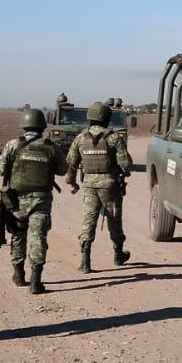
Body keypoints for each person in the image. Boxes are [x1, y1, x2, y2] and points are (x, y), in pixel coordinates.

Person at [0, 108, 67, 294]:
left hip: (16, 200)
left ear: (24, 124)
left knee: (18, 236)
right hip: (41, 200)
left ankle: (19, 275)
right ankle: (36, 281)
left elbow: (0, 169)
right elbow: (63, 170)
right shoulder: (52, 146)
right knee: (38, 238)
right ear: (43, 126)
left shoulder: (13, 145)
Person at [66, 101, 134, 272]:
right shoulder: (112, 138)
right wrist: (125, 171)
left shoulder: (80, 138)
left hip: (89, 185)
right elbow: (125, 163)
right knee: (114, 221)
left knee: (88, 221)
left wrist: (73, 183)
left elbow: (71, 165)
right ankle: (118, 255)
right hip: (109, 186)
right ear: (106, 118)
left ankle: (85, 261)